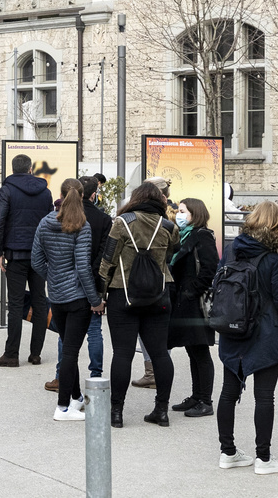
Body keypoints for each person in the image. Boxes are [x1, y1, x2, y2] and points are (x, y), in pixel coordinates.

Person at [217, 201, 278, 476]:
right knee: (264, 396)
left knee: (228, 393)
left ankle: (227, 453)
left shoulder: (231, 250)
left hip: (232, 328)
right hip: (265, 334)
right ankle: (263, 459)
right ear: (277, 225)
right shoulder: (275, 258)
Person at [98, 180, 177, 428]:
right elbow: (172, 254)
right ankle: (161, 410)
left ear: (136, 198)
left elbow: (108, 260)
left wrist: (101, 294)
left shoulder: (122, 223)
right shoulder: (168, 226)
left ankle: (117, 413)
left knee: (122, 353)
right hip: (158, 294)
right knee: (160, 353)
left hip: (123, 293)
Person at [31, 178, 104, 421]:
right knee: (71, 352)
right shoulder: (82, 225)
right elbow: (83, 268)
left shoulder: (45, 222)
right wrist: (95, 300)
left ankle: (75, 397)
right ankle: (63, 407)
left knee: (67, 347)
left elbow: (36, 261)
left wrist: (53, 277)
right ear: (84, 196)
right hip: (78, 298)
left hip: (58, 297)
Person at [47, 176, 112, 392]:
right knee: (94, 331)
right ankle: (96, 376)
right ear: (91, 194)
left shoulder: (56, 218)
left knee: (65, 338)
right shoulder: (103, 218)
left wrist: (55, 275)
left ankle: (60, 377)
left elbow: (40, 258)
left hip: (64, 284)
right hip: (92, 281)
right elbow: (103, 253)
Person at [0, 154, 54, 367]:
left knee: (16, 304)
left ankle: (11, 354)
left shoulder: (8, 189)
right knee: (39, 302)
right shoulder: (45, 192)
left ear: (13, 168)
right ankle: (35, 354)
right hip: (39, 255)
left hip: (15, 254)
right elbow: (49, 223)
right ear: (30, 169)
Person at [167, 197, 219, 418]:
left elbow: (209, 269)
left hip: (196, 303)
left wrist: (191, 291)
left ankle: (205, 400)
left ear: (195, 214)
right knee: (192, 350)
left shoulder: (202, 236)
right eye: (178, 211)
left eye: (183, 211)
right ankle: (196, 396)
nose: (179, 215)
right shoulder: (184, 236)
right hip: (185, 301)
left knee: (200, 351)